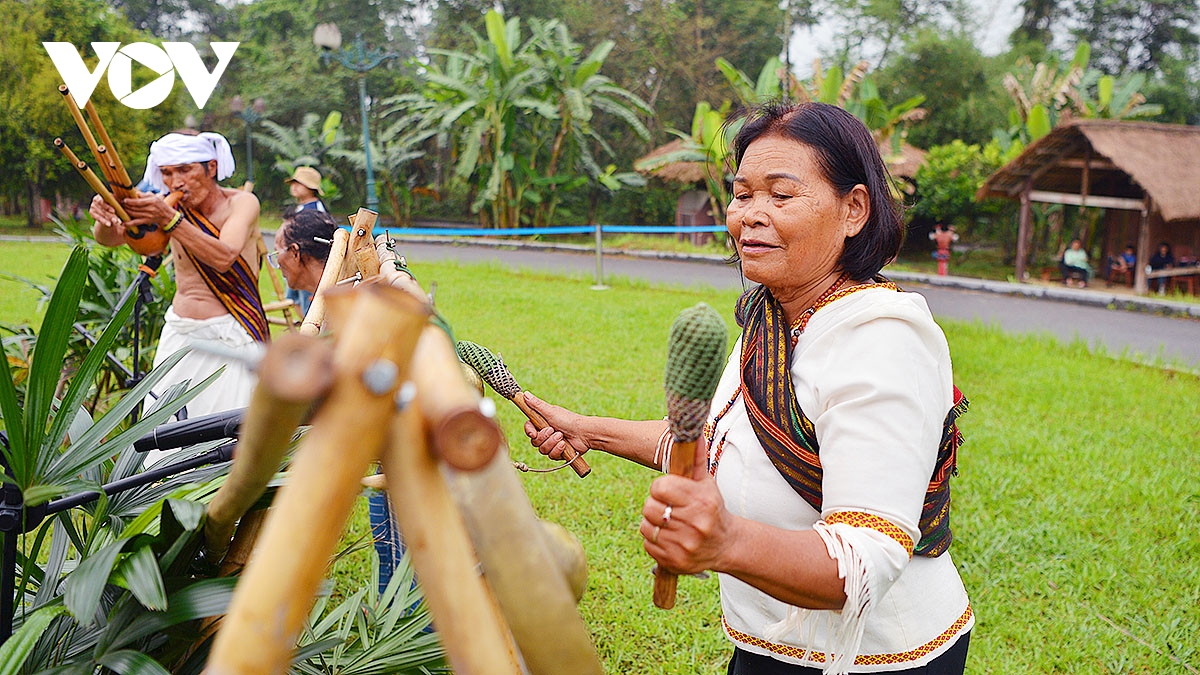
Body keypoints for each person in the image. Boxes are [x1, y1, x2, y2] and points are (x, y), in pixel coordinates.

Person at [524, 102, 971, 674]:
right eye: (742, 194)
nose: (751, 216)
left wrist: (724, 543)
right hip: (768, 641)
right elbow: (723, 445)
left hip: (874, 658)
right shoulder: (772, 313)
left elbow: (864, 561)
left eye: (781, 196)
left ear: (854, 208)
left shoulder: (881, 341)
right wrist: (587, 431)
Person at [89, 130, 267, 438]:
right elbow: (114, 238)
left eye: (185, 169)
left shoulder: (242, 203)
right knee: (163, 433)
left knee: (231, 435)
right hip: (180, 334)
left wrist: (169, 218)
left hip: (232, 330)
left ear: (211, 167)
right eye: (167, 173)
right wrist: (105, 217)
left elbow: (224, 257)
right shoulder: (163, 205)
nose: (176, 182)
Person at [270, 209, 409, 597]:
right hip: (376, 446)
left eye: (276, 252)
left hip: (397, 445)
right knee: (388, 545)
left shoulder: (349, 300)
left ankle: (413, 644)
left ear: (296, 254)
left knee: (402, 554)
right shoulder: (330, 300)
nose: (276, 261)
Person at [283, 166, 327, 316]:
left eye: (299, 183)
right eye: (293, 183)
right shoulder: (300, 208)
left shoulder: (315, 209)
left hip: (306, 263)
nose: (294, 187)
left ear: (311, 187)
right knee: (296, 300)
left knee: (309, 303)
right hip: (294, 262)